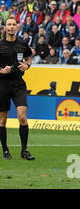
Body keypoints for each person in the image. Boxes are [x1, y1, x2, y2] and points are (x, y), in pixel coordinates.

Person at [0, 17, 34, 160]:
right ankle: (5, 150)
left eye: (14, 24)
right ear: (5, 27)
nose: (11, 27)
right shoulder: (0, 45)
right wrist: (1, 71)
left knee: (22, 117)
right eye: (9, 24)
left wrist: (27, 65)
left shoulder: (22, 44)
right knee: (2, 119)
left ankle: (24, 150)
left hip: (18, 83)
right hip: (2, 84)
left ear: (17, 27)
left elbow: (28, 59)